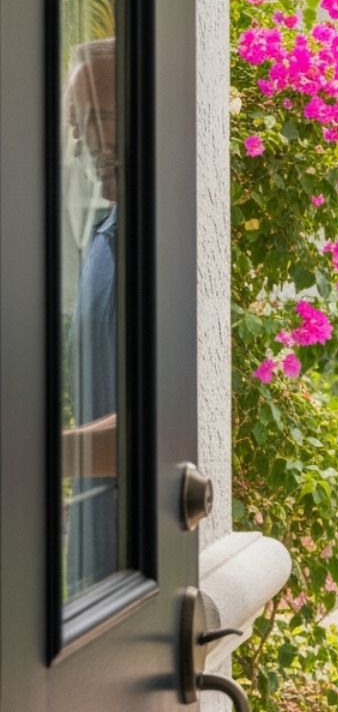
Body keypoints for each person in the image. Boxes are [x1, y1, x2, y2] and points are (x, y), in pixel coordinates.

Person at [63, 37, 121, 591]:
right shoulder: (108, 236)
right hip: (96, 579)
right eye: (77, 124)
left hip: (135, 573)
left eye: (96, 119)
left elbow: (161, 428)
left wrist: (39, 457)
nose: (83, 141)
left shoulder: (158, 247)